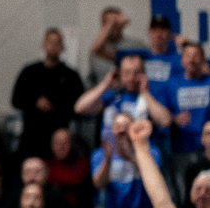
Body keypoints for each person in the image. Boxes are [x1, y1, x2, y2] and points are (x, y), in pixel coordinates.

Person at [10, 30, 85, 160]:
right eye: (50, 42)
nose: (53, 46)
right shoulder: (29, 72)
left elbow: (79, 107)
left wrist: (56, 107)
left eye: (57, 43)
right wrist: (35, 103)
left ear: (62, 47)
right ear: (43, 44)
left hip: (59, 139)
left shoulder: (71, 76)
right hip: (32, 137)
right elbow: (16, 100)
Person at [160, 41, 208, 204]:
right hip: (181, 149)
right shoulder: (171, 84)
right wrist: (174, 119)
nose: (192, 60)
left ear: (203, 60)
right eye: (188, 56)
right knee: (184, 194)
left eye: (196, 56)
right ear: (181, 60)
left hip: (207, 149)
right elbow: (161, 116)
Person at [75, 55, 172, 134]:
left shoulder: (150, 97)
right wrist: (105, 84)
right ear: (120, 74)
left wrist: (145, 92)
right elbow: (79, 108)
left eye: (136, 73)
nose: (131, 78)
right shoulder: (112, 96)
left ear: (143, 74)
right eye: (127, 73)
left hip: (139, 149)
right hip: (111, 149)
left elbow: (165, 121)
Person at [94, 113, 159, 208]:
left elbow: (155, 183)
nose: (122, 130)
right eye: (118, 126)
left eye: (126, 126)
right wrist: (107, 161)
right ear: (112, 130)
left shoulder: (149, 152)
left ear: (133, 129)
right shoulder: (100, 154)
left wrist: (131, 157)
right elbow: (99, 184)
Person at [91, 10, 149, 89]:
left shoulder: (135, 45)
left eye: (115, 23)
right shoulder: (98, 48)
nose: (113, 26)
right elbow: (95, 50)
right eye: (108, 23)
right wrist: (110, 25)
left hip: (128, 92)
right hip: (103, 93)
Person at [43, 130, 92, 208]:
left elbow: (76, 180)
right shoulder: (47, 164)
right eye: (58, 143)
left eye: (65, 143)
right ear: (52, 145)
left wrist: (48, 176)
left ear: (72, 144)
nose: (61, 147)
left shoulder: (82, 163)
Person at [143, 17, 184, 88]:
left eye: (163, 29)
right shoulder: (142, 57)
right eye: (155, 29)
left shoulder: (177, 59)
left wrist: (185, 47)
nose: (158, 33)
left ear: (169, 34)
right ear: (149, 33)